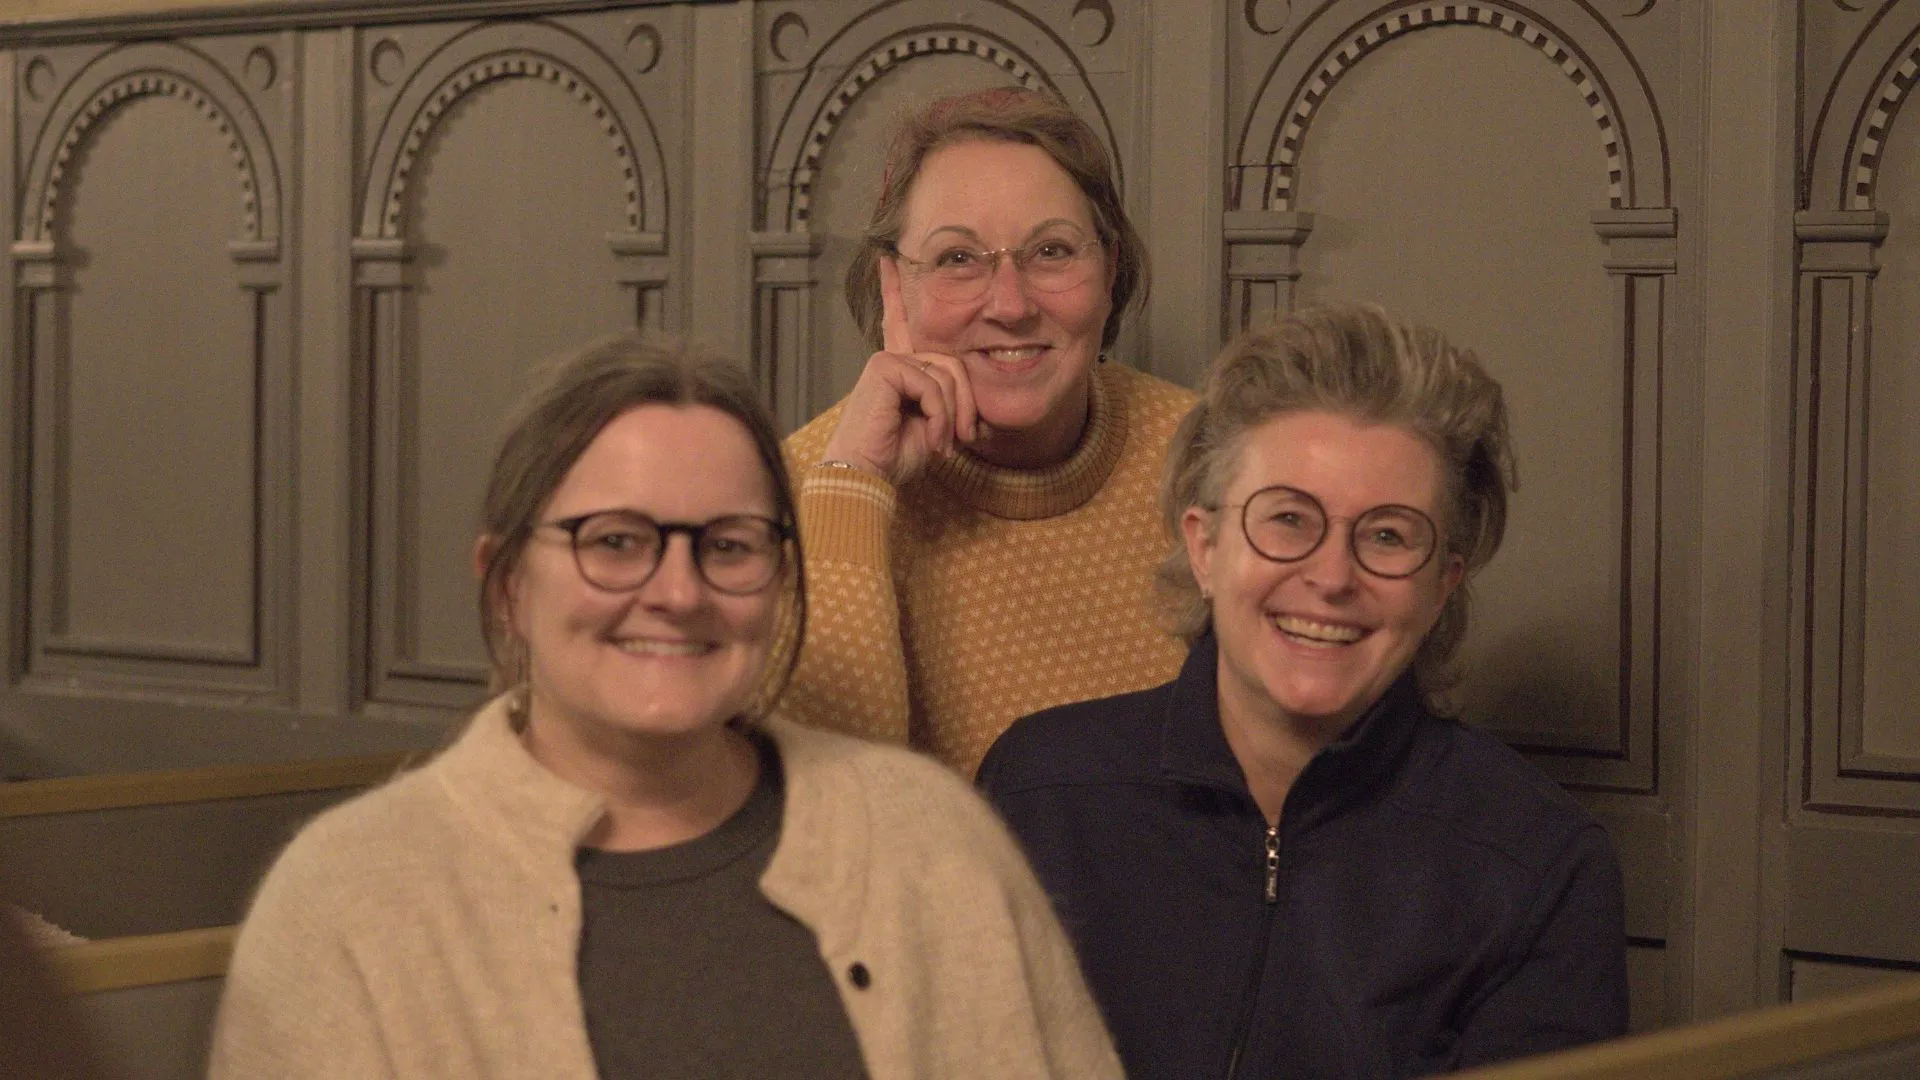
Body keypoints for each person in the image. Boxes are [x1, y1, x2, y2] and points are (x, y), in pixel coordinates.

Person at [210, 335, 1122, 1079]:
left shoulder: (934, 840)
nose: (679, 593)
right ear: (507, 585)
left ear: (779, 578)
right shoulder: (346, 901)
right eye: (615, 542)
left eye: (728, 545)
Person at [980, 304, 1629, 1078]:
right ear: (1205, 547)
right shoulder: (1039, 791)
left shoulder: (1541, 864)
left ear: (1442, 584)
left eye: (1388, 535)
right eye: (1288, 519)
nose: (1331, 577)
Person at [783, 85, 1194, 776]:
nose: (1010, 304)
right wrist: (855, 483)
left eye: (1052, 251)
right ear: (893, 287)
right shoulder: (790, 488)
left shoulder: (1208, 457)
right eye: (957, 259)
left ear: (1111, 270)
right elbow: (823, 790)